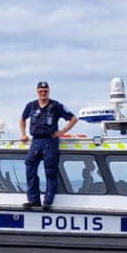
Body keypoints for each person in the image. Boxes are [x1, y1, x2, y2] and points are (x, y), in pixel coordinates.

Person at [18, 80, 77, 210]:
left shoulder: (56, 106)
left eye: (45, 91)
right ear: (37, 92)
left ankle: (47, 202)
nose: (43, 93)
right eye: (40, 91)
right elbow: (22, 119)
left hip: (50, 141)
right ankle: (34, 200)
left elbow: (73, 119)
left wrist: (62, 132)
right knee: (30, 166)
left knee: (50, 171)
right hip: (36, 141)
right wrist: (23, 134)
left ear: (48, 91)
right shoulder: (31, 106)